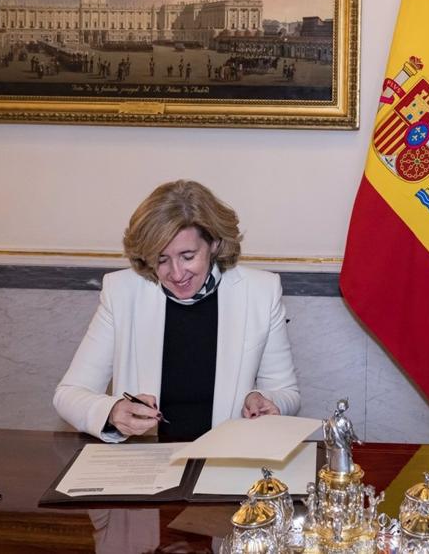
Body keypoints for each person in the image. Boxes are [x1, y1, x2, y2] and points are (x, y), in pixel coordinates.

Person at [54, 180, 300, 442]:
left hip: (225, 460)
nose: (176, 273)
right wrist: (112, 412)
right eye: (162, 259)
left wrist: (265, 400)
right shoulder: (122, 292)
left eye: (187, 256)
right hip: (145, 463)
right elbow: (68, 394)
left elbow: (287, 393)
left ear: (214, 243)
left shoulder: (260, 292)